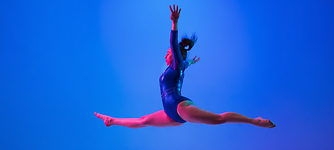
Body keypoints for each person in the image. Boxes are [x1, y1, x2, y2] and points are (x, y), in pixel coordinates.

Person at [95, 5, 276, 129]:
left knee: (217, 119)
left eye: (168, 53)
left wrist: (174, 23)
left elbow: (174, 44)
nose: (165, 55)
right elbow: (184, 64)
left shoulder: (176, 64)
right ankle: (111, 121)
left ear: (175, 55)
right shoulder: (178, 66)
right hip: (170, 113)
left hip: (180, 106)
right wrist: (190, 62)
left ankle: (255, 121)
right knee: (143, 121)